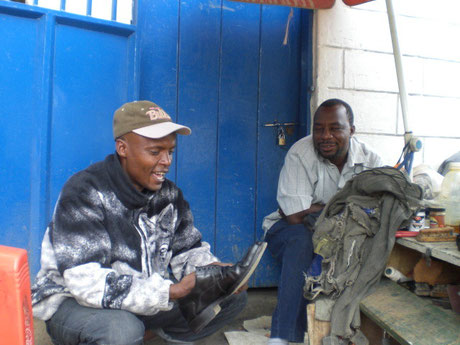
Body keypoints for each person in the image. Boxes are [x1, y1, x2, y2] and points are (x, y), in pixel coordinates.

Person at [31, 100, 266, 345]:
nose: (166, 161)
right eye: (155, 152)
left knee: (230, 299)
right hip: (74, 303)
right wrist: (171, 291)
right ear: (123, 148)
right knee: (121, 330)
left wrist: (215, 273)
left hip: (142, 297)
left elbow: (188, 250)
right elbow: (85, 283)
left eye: (170, 151)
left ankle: (153, 337)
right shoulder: (84, 192)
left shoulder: (168, 195)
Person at [262, 99, 383, 345]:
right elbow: (295, 216)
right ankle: (282, 337)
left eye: (335, 128)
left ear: (351, 130)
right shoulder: (301, 152)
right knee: (302, 241)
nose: (325, 136)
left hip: (344, 234)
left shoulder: (371, 161)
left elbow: (378, 210)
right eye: (318, 129)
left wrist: (319, 208)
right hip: (287, 229)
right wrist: (343, 207)